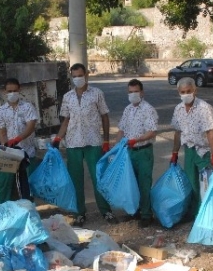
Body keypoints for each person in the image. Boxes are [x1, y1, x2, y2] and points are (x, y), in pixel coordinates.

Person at [52, 63, 118, 227]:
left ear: (86, 75)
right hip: (73, 142)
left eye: (80, 75)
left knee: (98, 178)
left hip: (93, 141)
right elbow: (66, 120)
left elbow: (105, 117)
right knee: (76, 179)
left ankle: (106, 211)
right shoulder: (67, 97)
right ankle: (79, 213)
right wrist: (58, 139)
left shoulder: (97, 94)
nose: (78, 79)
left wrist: (106, 141)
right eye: (74, 76)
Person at [170, 77, 213, 220]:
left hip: (203, 151)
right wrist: (174, 152)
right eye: (183, 92)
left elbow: (210, 133)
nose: (186, 94)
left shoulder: (204, 108)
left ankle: (207, 214)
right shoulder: (178, 109)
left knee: (206, 184)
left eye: (189, 91)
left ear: (195, 90)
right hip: (189, 150)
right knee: (191, 183)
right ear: (178, 92)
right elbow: (178, 132)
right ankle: (194, 213)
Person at [116, 79, 158, 228]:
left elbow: (152, 132)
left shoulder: (148, 109)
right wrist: (116, 148)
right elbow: (121, 129)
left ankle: (146, 215)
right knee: (130, 183)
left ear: (142, 92)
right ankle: (134, 211)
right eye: (130, 92)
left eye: (136, 91)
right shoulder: (128, 109)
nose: (133, 94)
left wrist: (136, 140)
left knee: (144, 184)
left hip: (143, 151)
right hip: (129, 152)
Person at [0, 78, 39, 204]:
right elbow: (2, 132)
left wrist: (18, 139)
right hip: (9, 153)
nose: (12, 93)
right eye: (10, 91)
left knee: (27, 185)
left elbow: (31, 126)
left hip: (27, 152)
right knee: (4, 183)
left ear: (19, 90)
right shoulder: (0, 111)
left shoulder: (27, 107)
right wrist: (5, 146)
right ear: (5, 92)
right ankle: (2, 209)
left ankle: (29, 210)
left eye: (15, 90)